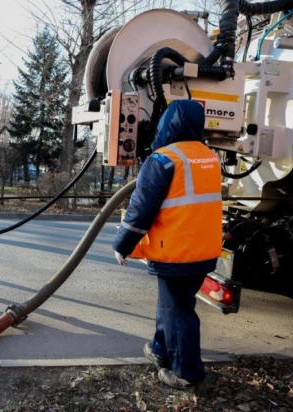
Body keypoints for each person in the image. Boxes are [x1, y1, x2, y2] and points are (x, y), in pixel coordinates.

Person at [112, 99, 222, 390]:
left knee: (179, 312)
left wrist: (123, 244)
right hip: (203, 251)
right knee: (173, 305)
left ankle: (188, 375)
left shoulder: (162, 159)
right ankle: (161, 350)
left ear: (166, 124)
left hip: (175, 252)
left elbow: (141, 209)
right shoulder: (209, 156)